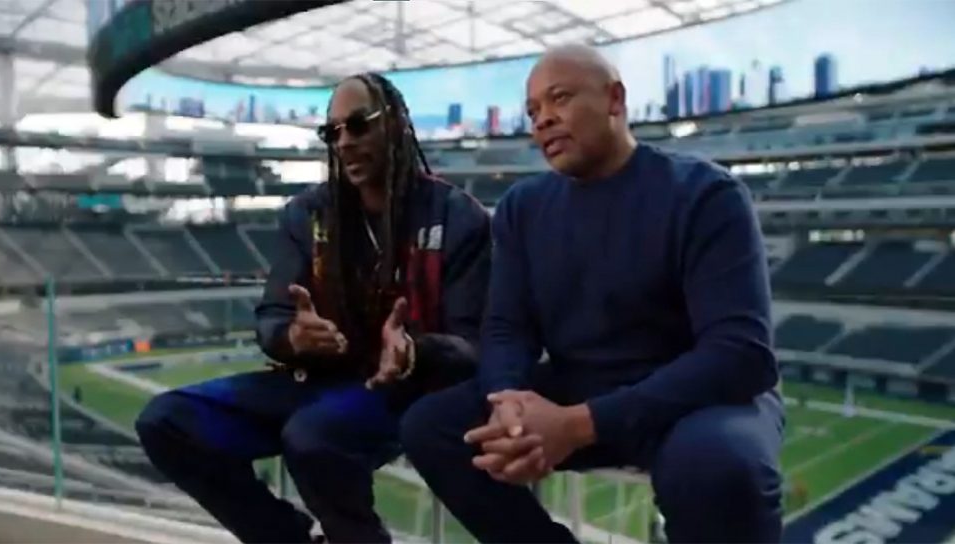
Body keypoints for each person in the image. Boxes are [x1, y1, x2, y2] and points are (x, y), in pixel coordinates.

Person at [401, 45, 784, 543]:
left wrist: (580, 425)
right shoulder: (523, 208)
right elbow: (507, 327)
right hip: (582, 384)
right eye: (533, 111)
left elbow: (741, 355)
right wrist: (507, 400)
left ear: (615, 100)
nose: (543, 120)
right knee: (432, 426)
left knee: (716, 466)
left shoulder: (706, 194)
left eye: (559, 98)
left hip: (694, 399)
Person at [135, 72, 491, 544]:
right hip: (316, 382)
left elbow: (474, 346)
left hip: (405, 391)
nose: (344, 142)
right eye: (332, 132)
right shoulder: (307, 214)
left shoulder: (457, 215)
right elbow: (272, 317)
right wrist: (292, 336)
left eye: (359, 125)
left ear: (397, 123)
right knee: (164, 422)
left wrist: (416, 350)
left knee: (312, 436)